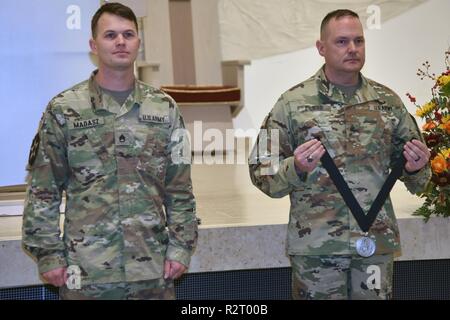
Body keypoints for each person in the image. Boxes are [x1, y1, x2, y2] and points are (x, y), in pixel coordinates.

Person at [248, 9, 431, 300]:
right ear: (321, 48)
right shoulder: (292, 103)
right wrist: (295, 167)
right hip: (317, 251)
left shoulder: (388, 103)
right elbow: (261, 171)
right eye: (342, 42)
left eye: (359, 41)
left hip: (374, 246)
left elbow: (420, 179)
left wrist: (416, 167)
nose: (353, 49)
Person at [22, 2, 198, 300]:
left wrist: (181, 247)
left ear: (138, 43)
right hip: (86, 272)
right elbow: (44, 188)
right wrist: (49, 254)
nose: (120, 42)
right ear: (94, 44)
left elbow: (179, 187)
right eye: (110, 35)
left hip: (152, 270)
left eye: (128, 34)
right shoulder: (65, 109)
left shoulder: (164, 108)